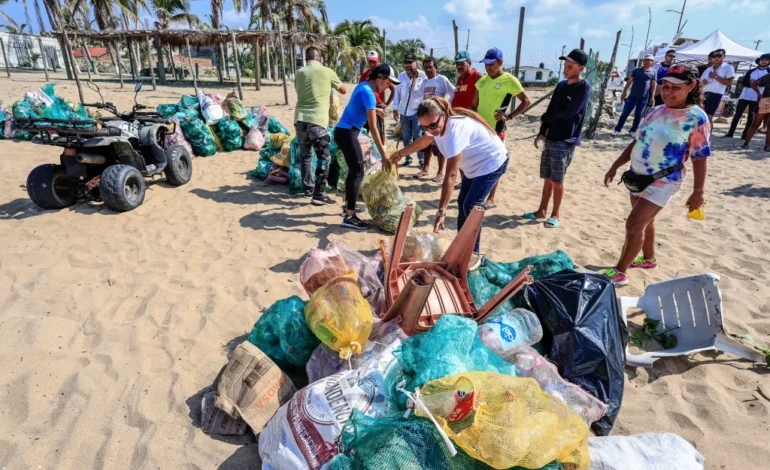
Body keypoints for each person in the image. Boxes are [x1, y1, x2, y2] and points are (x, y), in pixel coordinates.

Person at [602, 64, 710, 286]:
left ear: (690, 86)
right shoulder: (655, 110)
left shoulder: (696, 118)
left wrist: (697, 191)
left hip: (664, 179)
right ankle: (649, 259)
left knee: (634, 224)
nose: (668, 92)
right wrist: (616, 165)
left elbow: (699, 157)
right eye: (665, 86)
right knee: (644, 221)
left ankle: (620, 272)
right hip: (638, 174)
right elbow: (637, 141)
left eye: (675, 88)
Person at [389, 97, 508, 255]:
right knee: (462, 203)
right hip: (474, 166)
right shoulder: (435, 125)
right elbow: (424, 141)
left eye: (433, 125)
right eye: (425, 127)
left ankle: (473, 254)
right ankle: (461, 245)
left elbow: (451, 176)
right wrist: (400, 154)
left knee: (471, 207)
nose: (431, 130)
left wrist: (441, 212)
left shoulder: (455, 130)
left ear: (443, 115)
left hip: (491, 163)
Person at [523, 49, 590, 229]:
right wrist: (542, 131)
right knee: (547, 177)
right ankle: (541, 211)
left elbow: (570, 112)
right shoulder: (561, 86)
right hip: (551, 137)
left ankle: (555, 214)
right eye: (565, 66)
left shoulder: (583, 87)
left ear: (581, 68)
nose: (565, 69)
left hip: (566, 139)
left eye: (570, 66)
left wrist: (547, 118)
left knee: (558, 180)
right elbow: (551, 109)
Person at [334, 64, 397, 230]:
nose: (388, 86)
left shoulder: (363, 86)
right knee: (357, 172)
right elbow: (374, 128)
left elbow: (359, 106)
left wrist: (375, 109)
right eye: (388, 82)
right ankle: (350, 216)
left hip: (343, 131)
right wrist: (383, 155)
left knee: (353, 171)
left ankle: (348, 206)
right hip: (348, 133)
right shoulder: (369, 93)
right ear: (379, 78)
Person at [472, 47, 531, 208]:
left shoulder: (509, 80)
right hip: (480, 129)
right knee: (479, 160)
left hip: (496, 129)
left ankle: (491, 198)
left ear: (500, 62)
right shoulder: (482, 81)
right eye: (486, 64)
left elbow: (526, 101)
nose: (488, 67)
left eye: (491, 64)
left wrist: (509, 116)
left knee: (495, 162)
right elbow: (473, 105)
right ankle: (479, 191)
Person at [293, 47, 346, 204]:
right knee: (324, 157)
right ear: (320, 58)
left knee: (305, 156)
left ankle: (308, 189)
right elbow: (343, 90)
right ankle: (319, 194)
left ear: (306, 58)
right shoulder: (327, 71)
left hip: (300, 119)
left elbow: (298, 90)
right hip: (317, 120)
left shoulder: (299, 73)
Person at [414, 56, 455, 181]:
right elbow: (418, 94)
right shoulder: (425, 82)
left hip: (437, 120)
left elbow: (452, 91)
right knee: (426, 145)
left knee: (439, 147)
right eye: (425, 68)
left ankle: (440, 173)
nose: (428, 70)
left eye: (430, 67)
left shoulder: (441, 79)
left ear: (435, 67)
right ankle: (425, 169)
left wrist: (446, 105)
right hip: (426, 118)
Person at [392, 53, 427, 168]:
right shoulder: (401, 76)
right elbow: (397, 93)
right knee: (406, 136)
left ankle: (421, 159)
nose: (408, 65)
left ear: (416, 63)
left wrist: (415, 79)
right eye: (406, 62)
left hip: (418, 111)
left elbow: (423, 93)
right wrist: (395, 109)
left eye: (410, 62)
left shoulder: (422, 76)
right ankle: (408, 158)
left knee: (418, 136)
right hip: (404, 111)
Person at [726, 53, 770, 139]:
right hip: (745, 96)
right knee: (737, 115)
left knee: (751, 118)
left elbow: (767, 85)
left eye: (766, 60)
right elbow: (744, 82)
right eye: (762, 60)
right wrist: (754, 83)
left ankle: (745, 135)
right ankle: (730, 133)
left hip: (758, 98)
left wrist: (757, 83)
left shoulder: (768, 72)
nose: (764, 62)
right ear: (759, 61)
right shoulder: (751, 71)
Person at [612, 55, 657, 136]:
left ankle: (633, 131)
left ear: (652, 62)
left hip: (643, 98)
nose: (646, 62)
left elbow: (653, 85)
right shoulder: (636, 70)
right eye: (645, 60)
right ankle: (617, 130)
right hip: (632, 96)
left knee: (638, 115)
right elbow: (629, 82)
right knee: (625, 114)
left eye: (648, 60)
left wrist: (652, 96)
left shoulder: (653, 72)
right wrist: (624, 92)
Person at [359, 50, 395, 142]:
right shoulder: (365, 74)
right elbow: (360, 89)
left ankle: (383, 149)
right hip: (367, 106)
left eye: (374, 62)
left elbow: (393, 89)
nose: (372, 64)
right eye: (370, 61)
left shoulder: (383, 74)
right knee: (364, 130)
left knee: (380, 130)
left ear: (379, 60)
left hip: (378, 106)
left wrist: (386, 104)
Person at [701, 48, 735, 128]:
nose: (716, 58)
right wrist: (703, 83)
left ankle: (707, 138)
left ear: (724, 56)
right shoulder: (708, 69)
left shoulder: (728, 67)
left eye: (719, 56)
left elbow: (729, 83)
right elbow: (701, 82)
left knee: (708, 118)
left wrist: (715, 76)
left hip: (715, 95)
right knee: (700, 117)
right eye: (714, 56)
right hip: (704, 94)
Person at [741, 69, 770, 151]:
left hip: (766, 100)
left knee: (755, 124)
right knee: (758, 124)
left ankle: (746, 144)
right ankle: (767, 146)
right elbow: (754, 84)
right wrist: (759, 94)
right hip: (766, 101)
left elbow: (754, 83)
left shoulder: (768, 76)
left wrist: (759, 94)